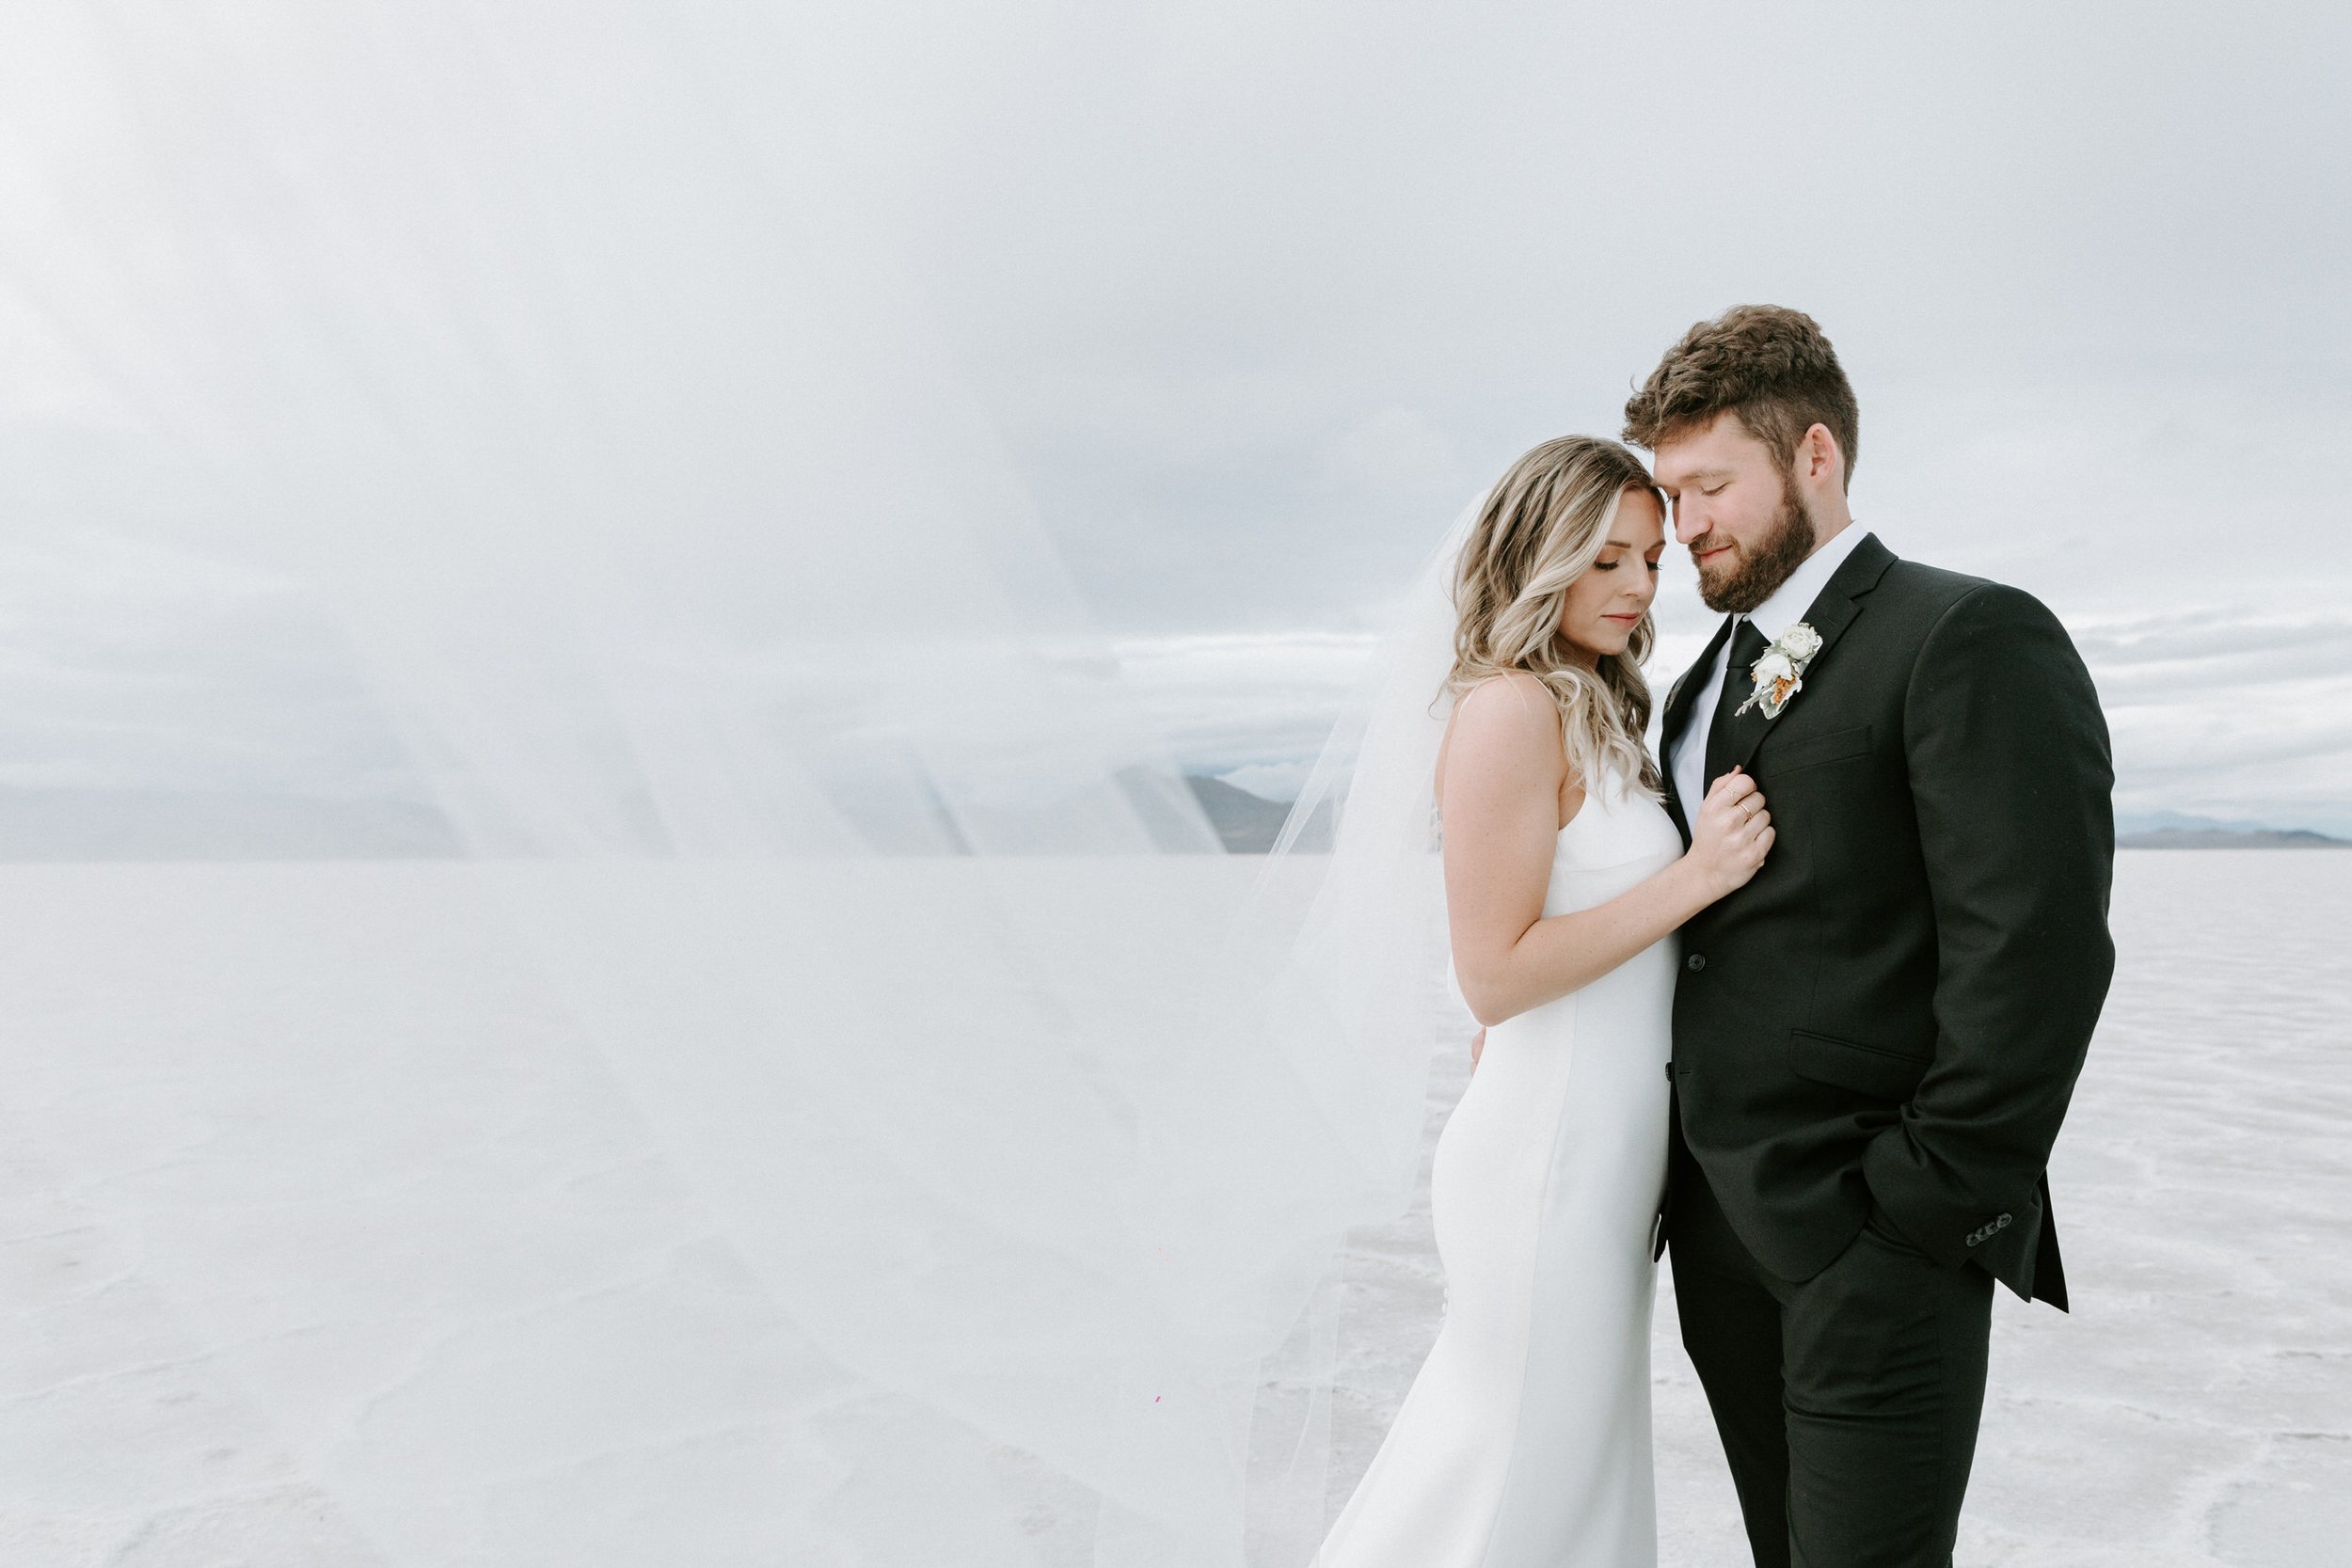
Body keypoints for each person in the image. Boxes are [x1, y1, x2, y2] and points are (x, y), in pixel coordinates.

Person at [1627, 305, 2116, 1566]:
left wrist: (1911, 1212)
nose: (1689, 529)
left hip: (1873, 1239)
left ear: (1818, 457)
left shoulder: (1965, 635)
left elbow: (2036, 954)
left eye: (1712, 486)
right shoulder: (1701, 680)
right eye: (1672, 497)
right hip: (1722, 1227)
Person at [1310, 435, 1776, 1568]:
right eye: (1604, 558)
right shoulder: (1508, 709)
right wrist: (1696, 876)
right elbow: (1495, 973)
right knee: (1511, 1467)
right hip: (1543, 1162)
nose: (1635, 587)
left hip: (1607, 1163)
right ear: (1537, 556)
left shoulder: (1603, 707)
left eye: (1651, 560)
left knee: (1568, 1471)